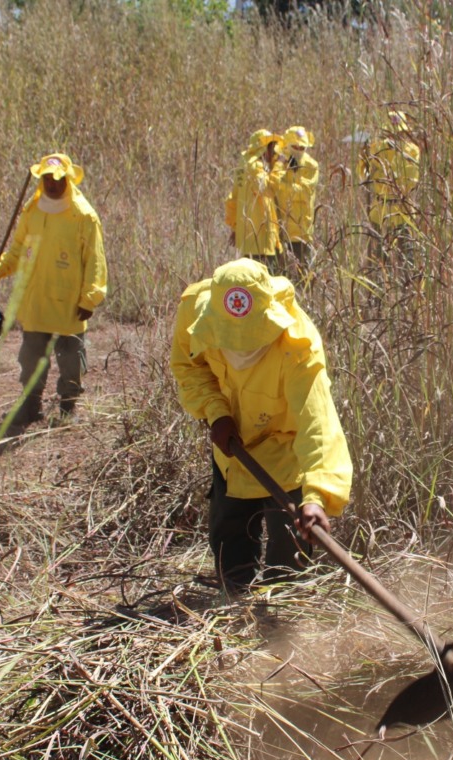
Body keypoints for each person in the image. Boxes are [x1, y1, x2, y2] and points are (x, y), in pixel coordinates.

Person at [171, 258, 352, 592]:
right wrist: (216, 412)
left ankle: (282, 625)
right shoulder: (194, 312)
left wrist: (317, 496)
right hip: (233, 443)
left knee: (290, 549)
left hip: (285, 448)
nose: (241, 350)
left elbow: (319, 425)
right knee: (229, 534)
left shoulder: (298, 347)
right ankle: (235, 607)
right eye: (232, 340)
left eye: (252, 339)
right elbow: (189, 367)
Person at [0, 153, 107, 425]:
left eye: (57, 179)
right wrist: (0, 269)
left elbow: (95, 260)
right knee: (31, 358)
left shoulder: (84, 215)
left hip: (69, 302)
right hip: (36, 299)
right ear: (40, 179)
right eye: (46, 178)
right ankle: (31, 407)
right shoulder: (33, 209)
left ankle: (68, 408)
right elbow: (19, 248)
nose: (52, 184)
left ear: (67, 179)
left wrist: (89, 298)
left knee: (71, 362)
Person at [358, 110, 421, 284]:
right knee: (376, 259)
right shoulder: (375, 148)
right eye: (390, 133)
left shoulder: (412, 151)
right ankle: (375, 294)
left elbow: (409, 181)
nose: (394, 136)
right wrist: (364, 155)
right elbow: (362, 173)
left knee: (406, 259)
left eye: (398, 132)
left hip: (403, 213)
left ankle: (407, 292)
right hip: (379, 211)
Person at [225, 129, 285, 274]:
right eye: (272, 148)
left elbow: (233, 198)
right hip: (261, 238)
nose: (274, 153)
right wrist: (280, 166)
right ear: (264, 149)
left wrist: (235, 227)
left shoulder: (243, 165)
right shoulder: (255, 167)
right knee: (266, 278)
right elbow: (270, 187)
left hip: (247, 237)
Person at [274, 126, 320, 282]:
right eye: (295, 146)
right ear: (286, 144)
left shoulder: (311, 165)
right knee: (281, 276)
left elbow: (306, 193)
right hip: (280, 230)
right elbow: (276, 189)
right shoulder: (277, 163)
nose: (299, 150)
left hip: (303, 230)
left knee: (303, 275)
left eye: (302, 147)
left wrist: (289, 184)